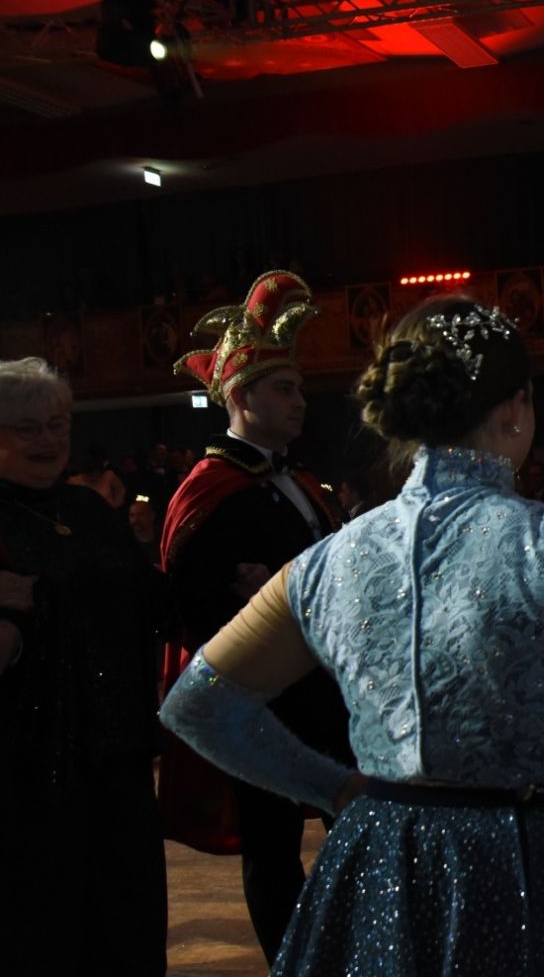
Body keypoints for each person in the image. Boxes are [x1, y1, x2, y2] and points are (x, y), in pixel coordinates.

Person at [160, 297, 544, 976]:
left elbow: (198, 704)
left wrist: (333, 787)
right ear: (516, 406)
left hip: (381, 865)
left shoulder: (326, 562)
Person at [159, 270, 351, 964]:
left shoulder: (299, 481)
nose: (299, 402)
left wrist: (277, 585)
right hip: (259, 699)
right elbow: (190, 607)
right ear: (241, 397)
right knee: (271, 847)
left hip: (324, 690)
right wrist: (260, 598)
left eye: (298, 389)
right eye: (283, 390)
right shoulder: (210, 489)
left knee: (354, 822)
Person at [0, 357, 168, 977]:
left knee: (128, 930)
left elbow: (147, 599)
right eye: (27, 428)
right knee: (44, 935)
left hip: (117, 756)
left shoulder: (88, 509)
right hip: (27, 772)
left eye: (57, 425)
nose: (47, 440)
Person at [67, 445, 127, 510]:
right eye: (91, 475)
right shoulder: (74, 481)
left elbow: (121, 491)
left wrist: (115, 505)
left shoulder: (109, 476)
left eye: (97, 474)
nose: (95, 477)